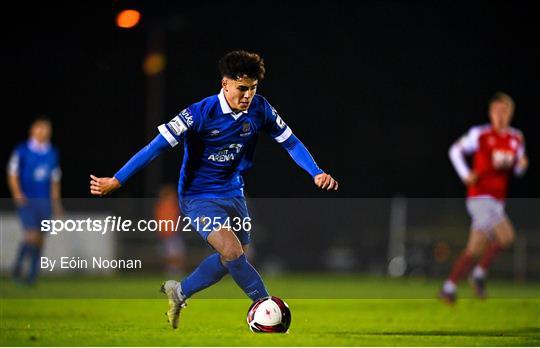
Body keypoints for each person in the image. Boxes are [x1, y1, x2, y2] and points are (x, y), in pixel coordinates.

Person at [90, 50, 338, 329]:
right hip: (198, 196)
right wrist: (118, 179)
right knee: (232, 252)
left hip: (234, 192)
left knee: (236, 256)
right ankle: (266, 308)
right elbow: (155, 147)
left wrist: (315, 172)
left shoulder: (261, 109)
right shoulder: (199, 113)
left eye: (253, 89)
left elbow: (290, 142)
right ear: (225, 84)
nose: (248, 96)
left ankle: (180, 292)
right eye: (242, 89)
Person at [440, 92, 528, 304]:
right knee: (504, 235)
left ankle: (450, 286)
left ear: (511, 113)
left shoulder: (516, 138)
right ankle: (477, 276)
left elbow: (517, 169)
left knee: (478, 247)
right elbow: (454, 151)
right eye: (497, 110)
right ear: (490, 112)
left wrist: (522, 166)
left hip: (497, 201)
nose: (500, 114)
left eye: (505, 110)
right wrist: (465, 175)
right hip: (479, 197)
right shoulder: (479, 134)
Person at [7, 116, 63, 285]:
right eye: (40, 128)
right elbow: (12, 174)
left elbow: (54, 180)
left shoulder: (52, 153)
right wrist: (17, 193)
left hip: (44, 202)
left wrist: (56, 203)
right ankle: (17, 270)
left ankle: (32, 275)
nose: (44, 132)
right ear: (33, 130)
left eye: (46, 129)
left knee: (40, 239)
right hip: (27, 200)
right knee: (31, 236)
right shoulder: (22, 150)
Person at [154, 184, 186, 276]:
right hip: (168, 233)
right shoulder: (164, 206)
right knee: (171, 253)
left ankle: (175, 270)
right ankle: (172, 270)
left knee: (177, 252)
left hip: (173, 233)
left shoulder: (173, 205)